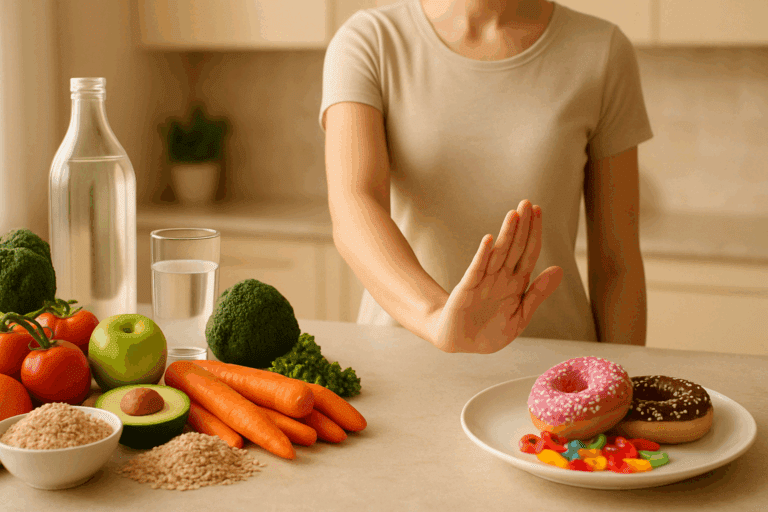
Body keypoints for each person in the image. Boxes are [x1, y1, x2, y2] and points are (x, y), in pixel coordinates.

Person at [320, 0, 652, 352]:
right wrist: (437, 317)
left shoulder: (602, 49)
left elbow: (618, 259)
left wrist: (625, 382)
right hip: (402, 357)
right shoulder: (369, 40)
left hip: (554, 368)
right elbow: (354, 203)